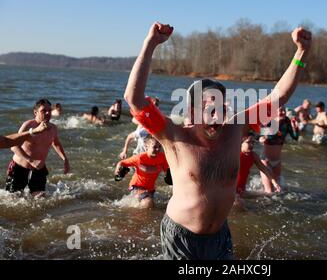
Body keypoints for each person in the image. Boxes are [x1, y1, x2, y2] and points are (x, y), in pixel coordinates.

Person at [124, 21, 311, 260]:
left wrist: (301, 53)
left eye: (220, 106)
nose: (216, 113)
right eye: (207, 106)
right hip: (181, 237)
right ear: (192, 112)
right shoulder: (174, 135)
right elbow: (135, 99)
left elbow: (278, 97)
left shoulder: (235, 129)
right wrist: (150, 44)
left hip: (220, 236)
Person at [7, 99, 70, 196]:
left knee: (40, 199)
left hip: (39, 168)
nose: (48, 113)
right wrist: (31, 160)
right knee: (13, 199)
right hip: (19, 167)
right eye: (44, 111)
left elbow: (56, 143)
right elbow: (14, 146)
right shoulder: (28, 125)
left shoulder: (53, 128)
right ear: (35, 112)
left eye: (49, 110)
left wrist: (65, 159)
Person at [114, 136, 169, 209]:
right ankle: (137, 217)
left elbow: (167, 171)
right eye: (155, 147)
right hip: (136, 186)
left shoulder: (162, 158)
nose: (158, 149)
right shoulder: (139, 158)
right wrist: (118, 171)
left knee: (151, 206)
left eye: (159, 146)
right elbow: (122, 163)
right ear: (146, 147)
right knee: (148, 202)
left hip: (150, 188)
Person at [259, 106, 298, 193]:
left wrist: (295, 127)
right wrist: (261, 139)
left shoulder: (287, 122)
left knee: (278, 191)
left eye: (284, 111)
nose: (283, 112)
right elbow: (260, 135)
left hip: (277, 161)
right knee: (269, 191)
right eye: (280, 111)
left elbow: (295, 137)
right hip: (266, 160)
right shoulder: (269, 122)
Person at [236, 134, 281, 198]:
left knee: (270, 195)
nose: (251, 145)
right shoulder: (235, 155)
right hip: (230, 190)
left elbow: (265, 169)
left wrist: (274, 183)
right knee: (239, 203)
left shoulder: (253, 156)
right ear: (240, 143)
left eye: (253, 142)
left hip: (242, 191)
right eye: (248, 142)